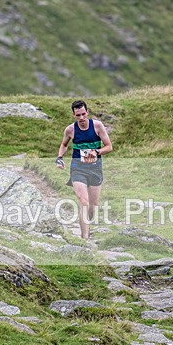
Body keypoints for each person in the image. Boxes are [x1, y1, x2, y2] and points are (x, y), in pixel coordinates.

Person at [56, 100, 112, 241]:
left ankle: (87, 220)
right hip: (77, 168)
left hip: (95, 168)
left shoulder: (97, 126)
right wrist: (59, 157)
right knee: (84, 202)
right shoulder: (70, 130)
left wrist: (97, 151)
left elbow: (109, 147)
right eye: (77, 115)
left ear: (87, 112)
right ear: (74, 115)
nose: (81, 118)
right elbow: (64, 145)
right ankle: (85, 239)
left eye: (83, 114)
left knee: (93, 206)